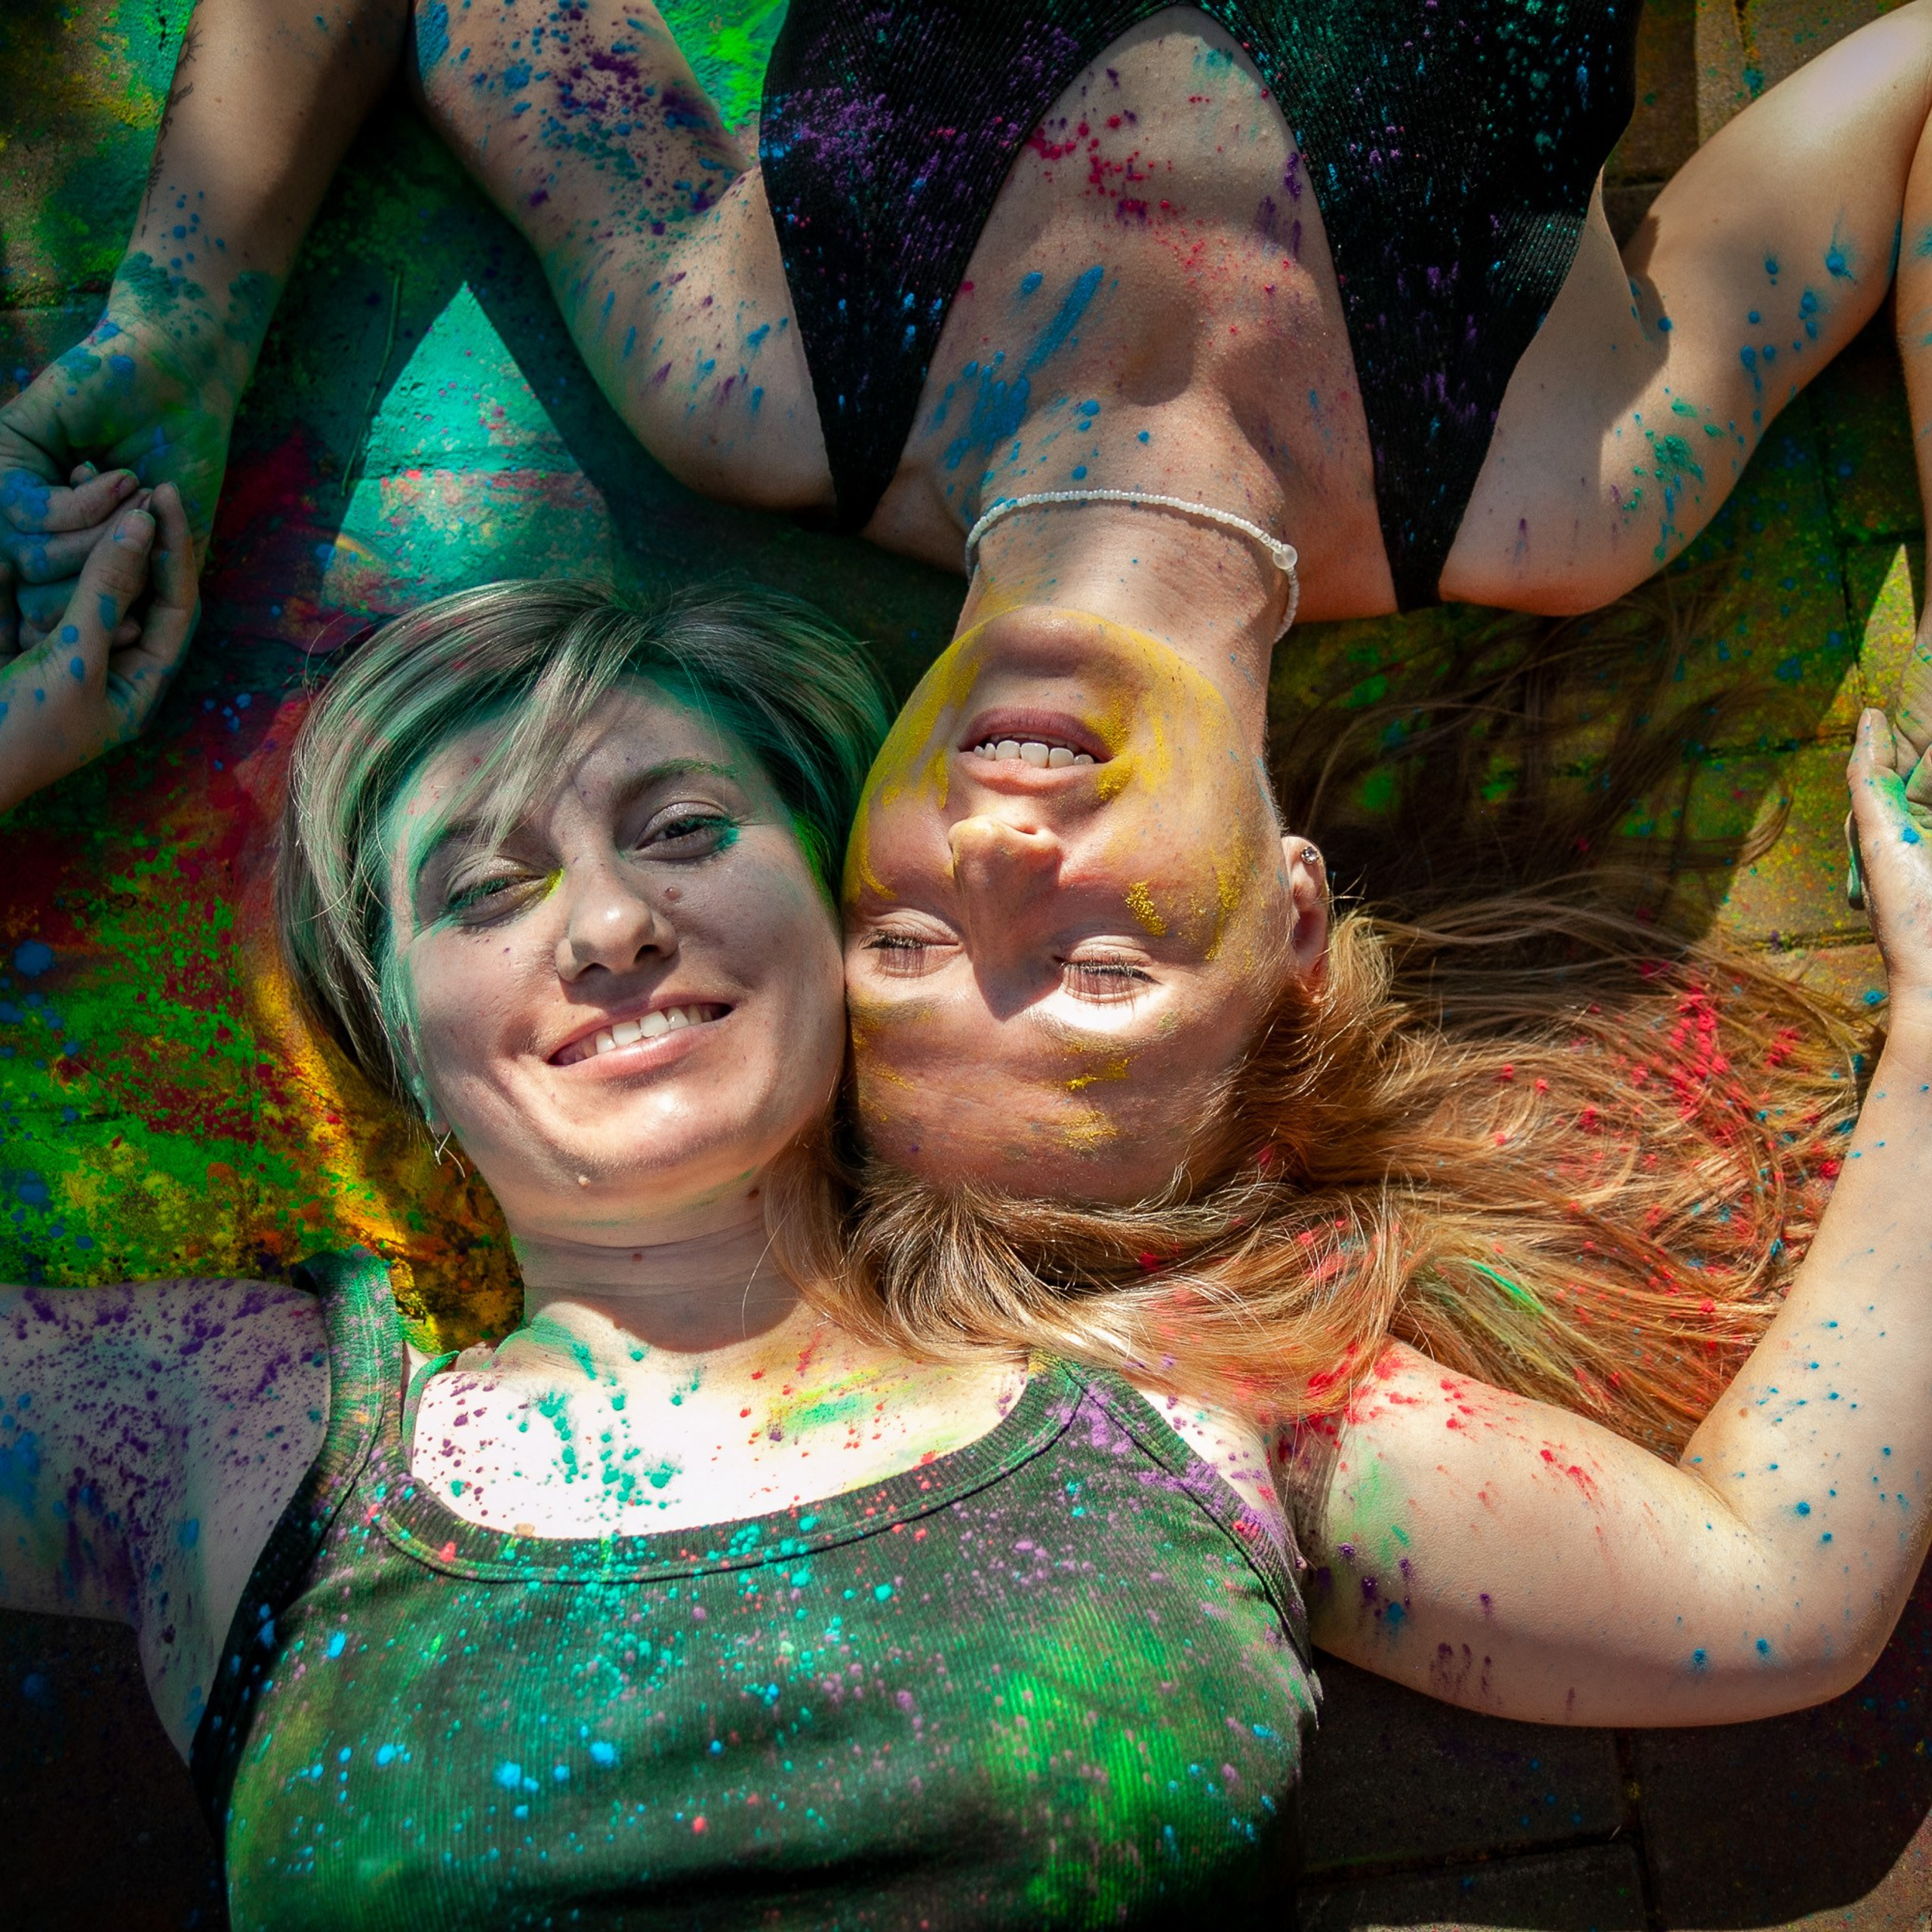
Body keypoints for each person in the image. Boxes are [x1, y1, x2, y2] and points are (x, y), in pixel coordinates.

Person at [11, 502, 1932, 1928]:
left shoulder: (1169, 1393)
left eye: (681, 829)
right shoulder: (250, 1431)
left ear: (836, 922)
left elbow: (1768, 1580)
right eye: (484, 891)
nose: (606, 923)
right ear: (396, 1045)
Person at [4, 1, 1930, 1209]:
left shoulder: (744, 373)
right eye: (1099, 971)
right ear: (1291, 915)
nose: (1006, 860)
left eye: (909, 939)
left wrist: (177, 341)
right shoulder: (1563, 481)